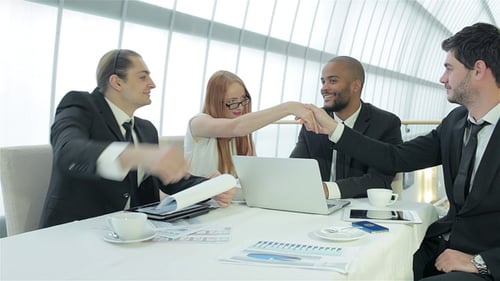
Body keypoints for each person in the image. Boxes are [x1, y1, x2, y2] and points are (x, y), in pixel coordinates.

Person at [302, 23, 499, 281]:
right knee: (367, 267)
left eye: (449, 68)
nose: (442, 78)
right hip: (444, 245)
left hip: (485, 261)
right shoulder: (455, 122)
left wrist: (482, 263)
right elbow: (396, 157)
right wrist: (334, 130)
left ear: (479, 70)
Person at [40, 49, 234, 228]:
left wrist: (208, 187)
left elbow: (168, 180)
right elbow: (68, 152)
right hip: (77, 232)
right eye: (143, 77)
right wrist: (135, 155)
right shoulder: (80, 105)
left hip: (135, 233)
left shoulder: (146, 129)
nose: (152, 84)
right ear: (116, 82)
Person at [290, 56, 403, 199]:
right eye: (323, 81)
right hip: (317, 206)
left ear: (355, 86)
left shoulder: (386, 123)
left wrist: (327, 190)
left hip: (360, 209)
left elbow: (379, 180)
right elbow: (295, 167)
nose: (324, 88)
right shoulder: (313, 119)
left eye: (333, 81)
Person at [184, 70, 317, 178]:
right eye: (232, 101)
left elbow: (253, 174)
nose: (240, 107)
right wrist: (288, 108)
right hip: (199, 204)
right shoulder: (198, 123)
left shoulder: (242, 133)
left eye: (243, 99)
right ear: (215, 102)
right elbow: (236, 127)